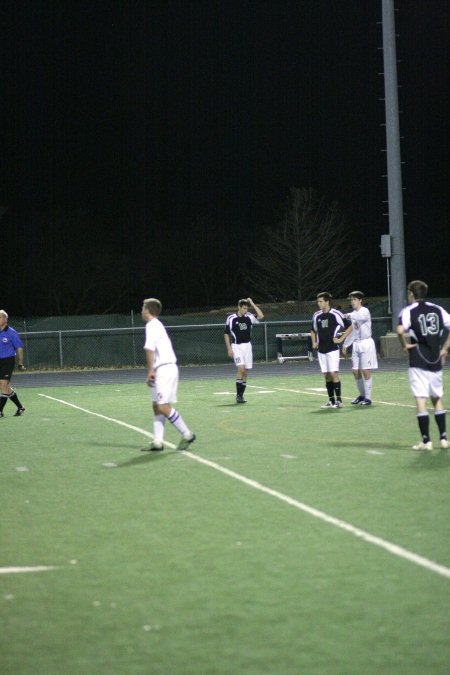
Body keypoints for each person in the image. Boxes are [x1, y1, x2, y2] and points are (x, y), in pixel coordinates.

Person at [397, 280, 450, 451]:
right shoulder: (438, 309)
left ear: (411, 293)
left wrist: (404, 345)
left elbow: (399, 330)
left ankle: (426, 441)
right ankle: (443, 438)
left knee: (421, 398)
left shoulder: (408, 311)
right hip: (435, 359)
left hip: (418, 358)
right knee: (437, 398)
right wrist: (445, 349)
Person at [141, 298, 195, 452]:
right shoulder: (156, 325)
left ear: (148, 310)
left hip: (163, 369)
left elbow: (150, 349)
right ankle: (158, 442)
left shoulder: (152, 325)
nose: (141, 311)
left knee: (163, 406)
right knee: (156, 405)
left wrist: (150, 370)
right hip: (165, 368)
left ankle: (187, 434)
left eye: (143, 308)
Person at [334, 291, 378, 406]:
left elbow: (361, 317)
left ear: (360, 300)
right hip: (356, 345)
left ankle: (368, 398)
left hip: (366, 344)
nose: (352, 301)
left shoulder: (364, 311)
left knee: (366, 370)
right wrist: (346, 344)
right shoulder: (353, 314)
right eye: (351, 300)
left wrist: (348, 315)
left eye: (354, 299)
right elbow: (353, 331)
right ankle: (362, 395)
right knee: (355, 371)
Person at [311, 292, 348, 408]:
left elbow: (349, 326)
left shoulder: (335, 314)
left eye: (321, 301)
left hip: (332, 349)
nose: (319, 304)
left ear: (327, 302)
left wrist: (340, 339)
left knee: (333, 373)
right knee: (326, 375)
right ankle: (331, 400)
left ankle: (339, 401)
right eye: (318, 301)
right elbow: (313, 330)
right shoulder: (316, 315)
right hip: (321, 349)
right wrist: (314, 342)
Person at [224, 297, 264, 403]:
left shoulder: (249, 317)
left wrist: (252, 303)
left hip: (247, 346)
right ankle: (238, 395)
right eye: (244, 308)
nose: (246, 310)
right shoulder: (231, 318)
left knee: (245, 372)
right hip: (236, 347)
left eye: (247, 308)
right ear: (239, 307)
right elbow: (226, 333)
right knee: (241, 369)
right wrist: (229, 349)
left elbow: (261, 316)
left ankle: (241, 396)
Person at [0, 309, 26, 418]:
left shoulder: (11, 332)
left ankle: (0, 411)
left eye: (0, 317)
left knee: (3, 384)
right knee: (5, 387)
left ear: (5, 319)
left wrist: (20, 364)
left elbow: (19, 348)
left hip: (8, 361)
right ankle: (20, 407)